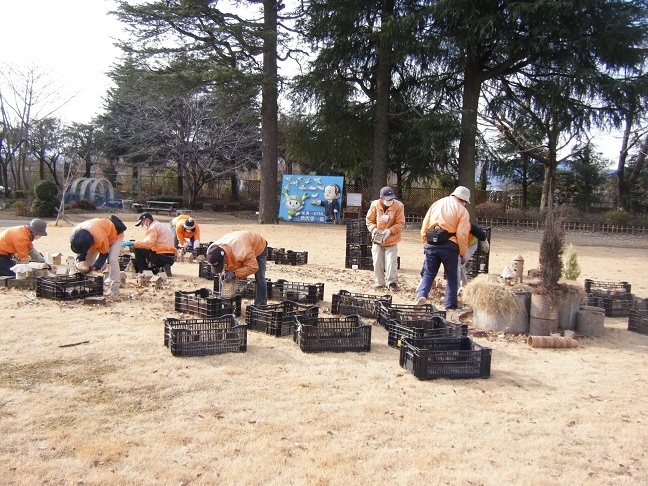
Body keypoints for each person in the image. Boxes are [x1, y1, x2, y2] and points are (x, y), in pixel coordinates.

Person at [414, 186, 471, 310]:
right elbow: (462, 235)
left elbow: (425, 223)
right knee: (451, 276)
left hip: (431, 243)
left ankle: (421, 295)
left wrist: (424, 239)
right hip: (449, 245)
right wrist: (462, 252)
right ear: (463, 200)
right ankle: (450, 305)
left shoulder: (436, 203)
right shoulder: (462, 211)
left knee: (429, 273)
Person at [206, 230, 268, 306]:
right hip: (239, 242)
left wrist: (235, 273)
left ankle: (261, 304)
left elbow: (253, 267)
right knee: (227, 274)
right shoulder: (212, 250)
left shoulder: (242, 251)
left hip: (258, 245)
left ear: (225, 257)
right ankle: (225, 301)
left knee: (260, 277)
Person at [70, 216, 126, 296]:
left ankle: (115, 288)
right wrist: (80, 260)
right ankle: (86, 287)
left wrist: (94, 267)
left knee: (112, 259)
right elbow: (81, 250)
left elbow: (104, 255)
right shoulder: (76, 232)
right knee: (86, 263)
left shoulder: (100, 239)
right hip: (98, 232)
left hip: (115, 235)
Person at [365, 186, 406, 291]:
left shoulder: (399, 206)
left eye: (391, 199)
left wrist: (390, 231)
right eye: (387, 199)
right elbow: (369, 220)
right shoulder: (375, 204)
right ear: (381, 198)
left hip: (392, 239)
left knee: (391, 262)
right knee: (377, 261)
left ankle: (392, 283)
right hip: (377, 239)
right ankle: (379, 282)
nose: (390, 201)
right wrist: (374, 230)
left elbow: (400, 223)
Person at [458, 223, 490, 290]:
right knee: (459, 264)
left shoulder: (464, 224)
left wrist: (484, 241)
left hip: (470, 246)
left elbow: (478, 231)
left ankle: (456, 288)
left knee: (458, 263)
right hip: (460, 246)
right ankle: (465, 286)